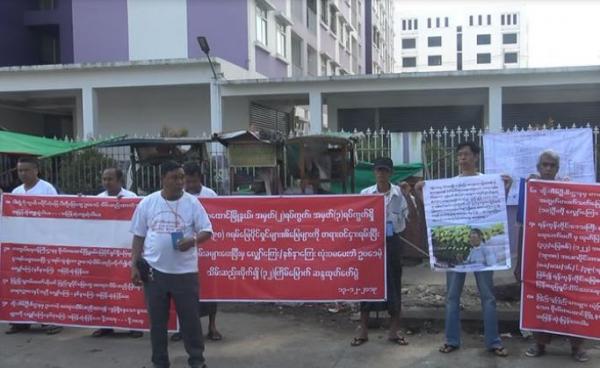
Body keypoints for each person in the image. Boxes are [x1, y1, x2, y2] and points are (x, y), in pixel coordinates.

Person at [417, 142, 511, 357]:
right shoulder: (451, 185)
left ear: (475, 157)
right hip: (458, 252)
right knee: (451, 296)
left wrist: (507, 187)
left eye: (466, 154)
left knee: (488, 297)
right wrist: (419, 192)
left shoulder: (486, 182)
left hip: (482, 251)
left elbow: (497, 208)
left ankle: (494, 342)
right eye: (459, 155)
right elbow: (434, 213)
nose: (462, 159)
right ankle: (451, 340)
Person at [130, 160, 212, 368]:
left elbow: (207, 231)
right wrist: (134, 265)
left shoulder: (192, 203)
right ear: (163, 180)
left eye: (182, 177)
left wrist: (192, 240)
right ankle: (160, 362)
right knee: (157, 323)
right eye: (174, 178)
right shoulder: (148, 203)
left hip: (185, 273)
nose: (180, 182)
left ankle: (196, 360)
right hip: (154, 273)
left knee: (190, 321)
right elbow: (138, 236)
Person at [523, 150, 590, 363]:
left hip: (566, 258)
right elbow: (521, 225)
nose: (548, 169)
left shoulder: (568, 189)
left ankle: (577, 347)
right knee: (541, 300)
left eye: (552, 165)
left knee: (571, 302)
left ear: (558, 169)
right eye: (545, 165)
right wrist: (520, 261)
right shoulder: (529, 189)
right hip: (539, 257)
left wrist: (570, 191)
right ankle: (540, 344)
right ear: (538, 167)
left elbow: (580, 219)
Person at [350, 157, 409, 347]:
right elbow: (358, 220)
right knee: (367, 284)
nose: (381, 174)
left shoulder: (400, 194)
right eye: (378, 170)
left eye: (384, 170)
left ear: (390, 173)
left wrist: (408, 196)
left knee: (393, 284)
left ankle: (394, 330)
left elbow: (408, 220)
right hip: (370, 243)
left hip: (392, 243)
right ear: (374, 172)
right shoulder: (365, 194)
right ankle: (363, 330)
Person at [5, 157, 62, 335]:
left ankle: (50, 319)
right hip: (21, 247)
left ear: (36, 170)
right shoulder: (16, 191)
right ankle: (23, 319)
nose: (23, 174)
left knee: (44, 283)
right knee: (23, 283)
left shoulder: (47, 189)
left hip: (42, 245)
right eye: (20, 170)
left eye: (26, 170)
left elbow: (56, 214)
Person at [170, 162, 222, 342]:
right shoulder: (178, 196)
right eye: (187, 181)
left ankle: (212, 326)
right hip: (184, 249)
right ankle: (182, 327)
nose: (190, 185)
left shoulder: (210, 195)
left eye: (193, 181)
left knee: (210, 289)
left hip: (207, 248)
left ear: (200, 178)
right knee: (182, 290)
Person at [92, 167, 142, 338]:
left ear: (120, 180)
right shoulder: (97, 199)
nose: (106, 182)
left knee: (129, 289)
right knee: (105, 290)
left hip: (126, 251)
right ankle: (105, 324)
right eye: (104, 179)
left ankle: (134, 324)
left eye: (110, 179)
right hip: (105, 253)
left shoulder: (132, 198)